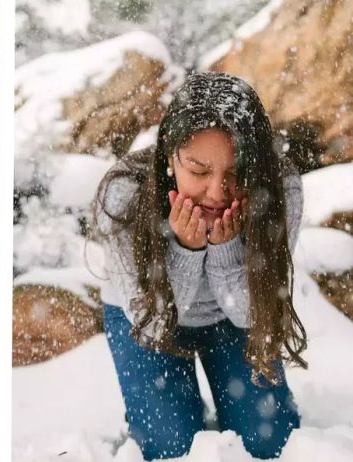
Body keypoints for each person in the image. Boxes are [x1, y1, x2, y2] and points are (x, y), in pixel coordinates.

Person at [92, 72, 307, 460]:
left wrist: (224, 250)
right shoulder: (124, 190)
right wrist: (186, 251)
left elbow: (250, 314)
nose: (217, 194)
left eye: (236, 174)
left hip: (234, 321)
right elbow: (152, 321)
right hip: (145, 322)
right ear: (171, 157)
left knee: (270, 443)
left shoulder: (280, 185)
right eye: (199, 170)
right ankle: (180, 409)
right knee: (171, 448)